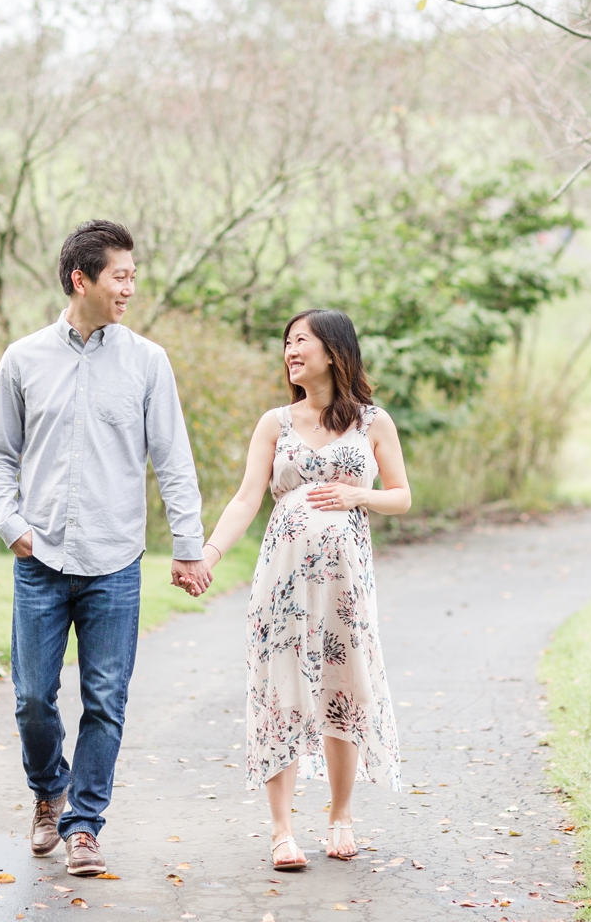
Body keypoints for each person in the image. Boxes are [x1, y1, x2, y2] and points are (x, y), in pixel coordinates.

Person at [0, 219, 213, 877]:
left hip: (115, 562)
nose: (131, 287)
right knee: (31, 697)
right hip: (41, 559)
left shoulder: (147, 361)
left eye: (133, 275)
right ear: (81, 279)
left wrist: (187, 545)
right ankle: (47, 790)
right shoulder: (23, 359)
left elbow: (174, 461)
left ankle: (84, 825)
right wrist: (11, 525)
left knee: (106, 700)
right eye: (121, 275)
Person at [197, 308, 410, 871]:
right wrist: (210, 552)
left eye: (302, 342)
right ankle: (281, 830)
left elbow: (402, 496)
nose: (290, 351)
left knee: (344, 683)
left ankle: (341, 816)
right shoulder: (275, 422)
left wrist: (356, 497)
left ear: (335, 352)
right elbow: (247, 498)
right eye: (286, 342)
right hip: (283, 580)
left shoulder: (373, 423)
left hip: (345, 583)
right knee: (282, 689)